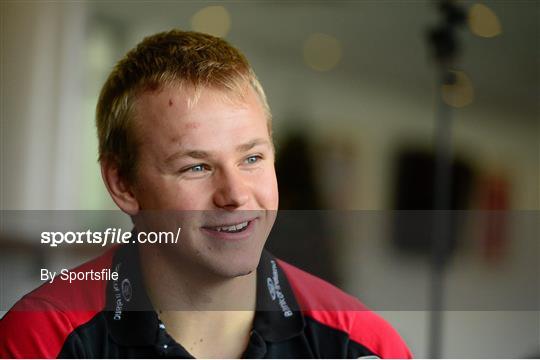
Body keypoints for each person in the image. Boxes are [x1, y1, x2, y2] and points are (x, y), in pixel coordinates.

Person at [0, 30, 412, 358]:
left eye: (251, 158)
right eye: (196, 167)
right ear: (123, 185)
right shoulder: (43, 340)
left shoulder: (361, 346)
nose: (235, 194)